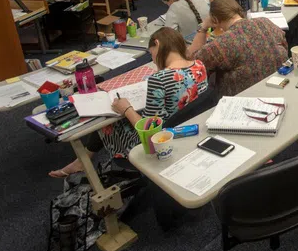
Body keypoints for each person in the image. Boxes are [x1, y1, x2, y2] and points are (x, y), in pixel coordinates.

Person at [49, 28, 208, 177]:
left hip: (159, 142)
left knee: (108, 122)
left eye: (151, 53)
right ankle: (81, 161)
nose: (152, 59)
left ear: (157, 44)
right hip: (188, 127)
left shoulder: (159, 79)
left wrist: (127, 110)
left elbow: (149, 131)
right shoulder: (199, 65)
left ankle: (82, 161)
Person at [189, 0, 287, 97]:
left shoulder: (222, 44)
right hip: (277, 90)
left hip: (241, 101)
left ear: (214, 20)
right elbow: (284, 44)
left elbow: (192, 63)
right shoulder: (266, 22)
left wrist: (204, 27)